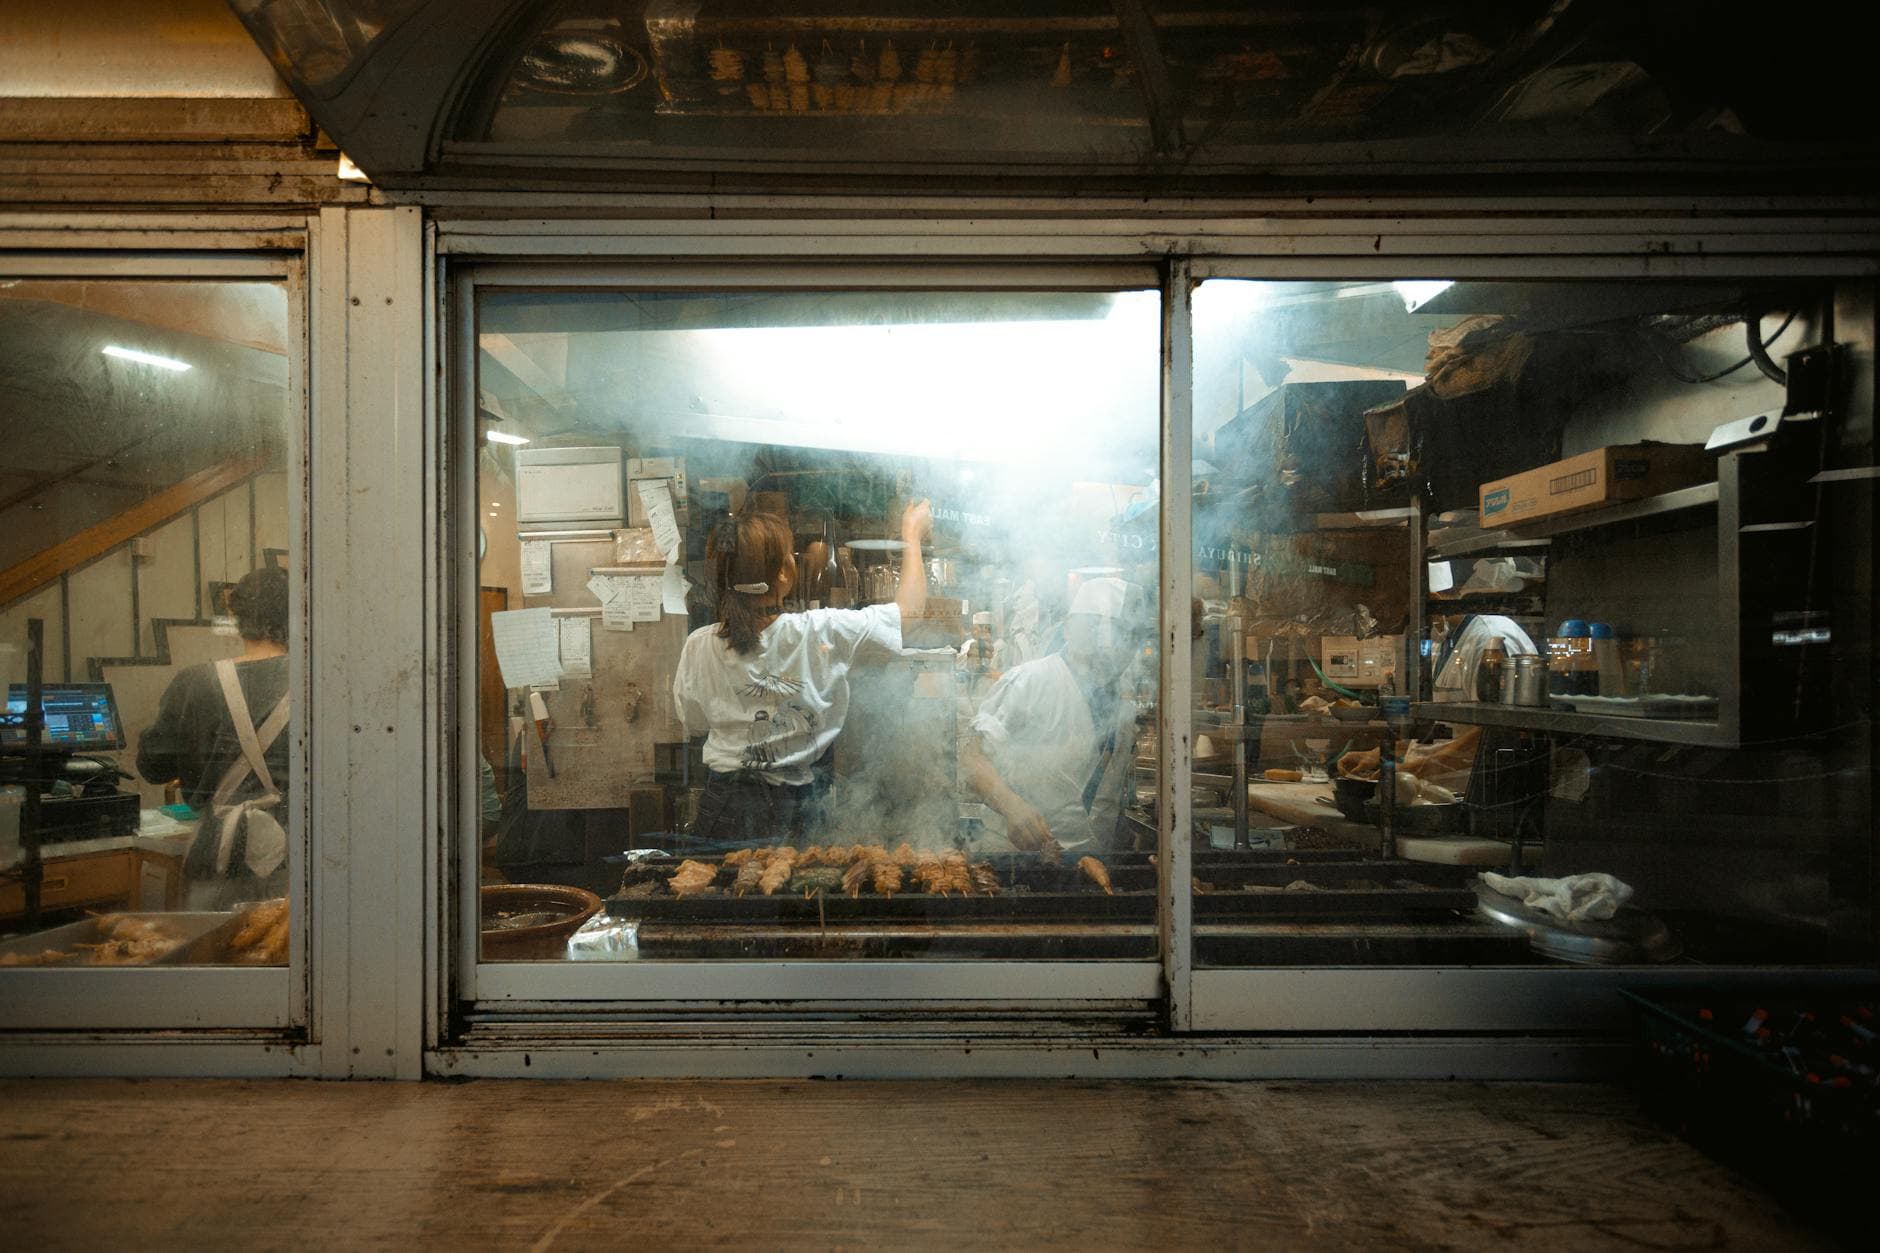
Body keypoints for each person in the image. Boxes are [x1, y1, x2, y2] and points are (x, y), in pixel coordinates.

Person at [673, 499, 931, 845]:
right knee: (800, 895)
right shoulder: (818, 630)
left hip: (725, 806)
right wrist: (911, 535)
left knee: (723, 894)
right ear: (783, 573)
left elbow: (694, 722)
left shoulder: (698, 643)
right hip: (799, 807)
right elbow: (909, 616)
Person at [138, 566, 291, 908]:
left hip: (218, 861)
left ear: (237, 615)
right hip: (299, 857)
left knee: (214, 950)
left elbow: (153, 766)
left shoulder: (194, 682)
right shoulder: (321, 682)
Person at [963, 576, 1148, 855]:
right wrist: (1011, 806)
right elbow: (971, 758)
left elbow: (1099, 791)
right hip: (1015, 861)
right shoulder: (1029, 681)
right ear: (1072, 628)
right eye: (1101, 631)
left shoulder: (1123, 701)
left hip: (1091, 867)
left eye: (1130, 637)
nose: (1115, 647)